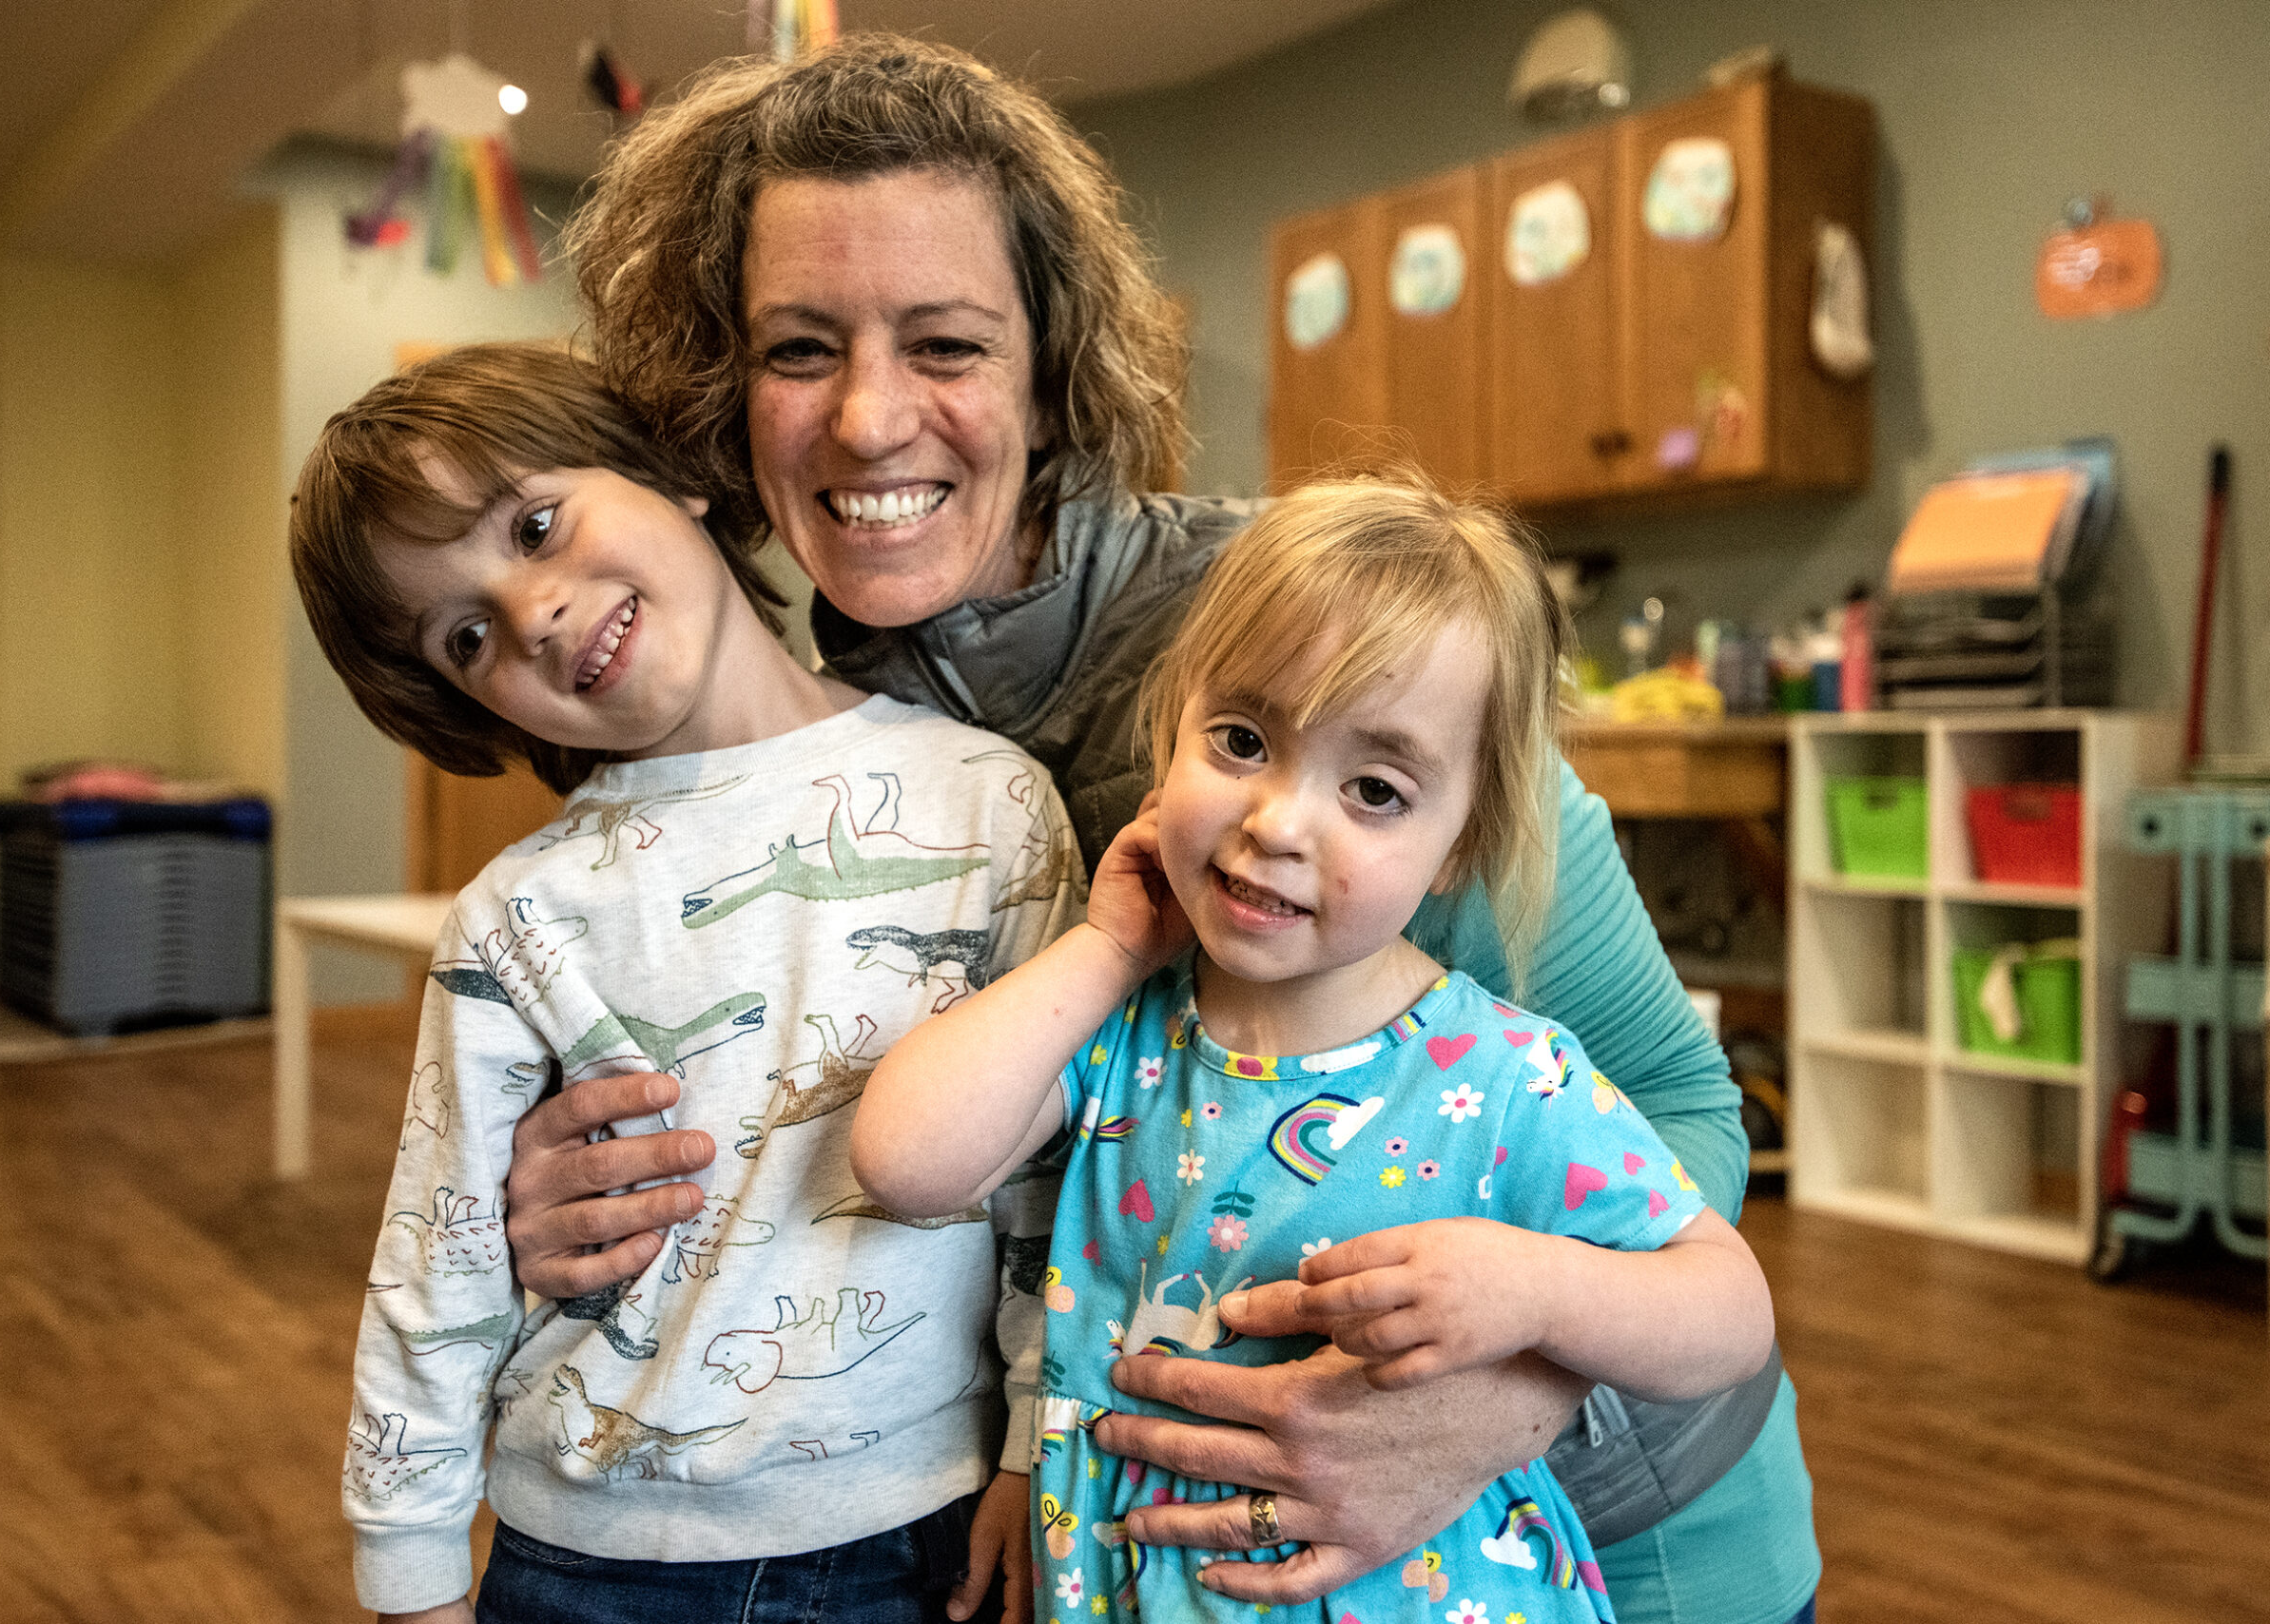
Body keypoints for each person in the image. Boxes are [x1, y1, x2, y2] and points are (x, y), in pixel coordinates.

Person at [510, 35, 1821, 1624]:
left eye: (945, 342)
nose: (866, 420)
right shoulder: (800, 754)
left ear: (1055, 360)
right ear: (720, 384)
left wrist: (1491, 1413)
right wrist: (575, 1198)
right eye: (799, 348)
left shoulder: (1316, 648)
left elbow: (1678, 1098)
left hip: (1608, 1535)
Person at [852, 474, 1776, 1622]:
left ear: (1458, 849)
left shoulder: (1507, 1076)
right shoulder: (1119, 1035)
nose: (1279, 821)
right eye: (1240, 739)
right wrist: (1103, 947)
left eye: (1376, 789)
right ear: (1170, 729)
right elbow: (905, 1161)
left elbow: (1729, 1310)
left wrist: (1542, 1290)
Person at [291, 342, 1080, 1623]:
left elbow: (1056, 1180)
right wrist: (412, 1574)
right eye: (468, 633)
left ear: (676, 478)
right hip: (591, 1562)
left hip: (929, 1534)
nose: (533, 612)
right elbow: (437, 1265)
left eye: (537, 525)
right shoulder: (516, 916)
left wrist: (1039, 1448)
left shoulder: (992, 803)